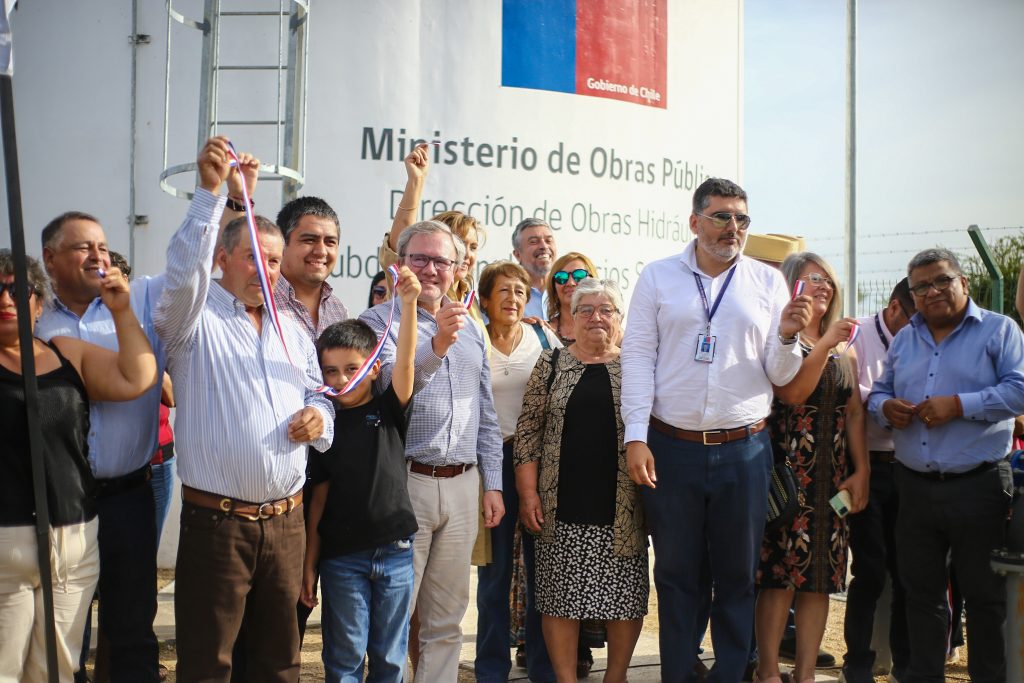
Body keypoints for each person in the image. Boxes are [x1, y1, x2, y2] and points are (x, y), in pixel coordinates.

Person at [154, 137, 334, 682]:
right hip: (218, 524)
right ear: (222, 259)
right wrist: (213, 195)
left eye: (274, 261)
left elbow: (319, 392)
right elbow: (184, 270)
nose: (266, 270)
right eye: (254, 258)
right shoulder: (192, 318)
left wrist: (319, 417)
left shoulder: (290, 327)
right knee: (209, 665)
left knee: (279, 664)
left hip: (286, 524)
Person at [620, 177, 811, 683]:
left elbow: (780, 373)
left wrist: (790, 337)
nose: (733, 228)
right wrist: (635, 436)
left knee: (737, 577)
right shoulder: (659, 278)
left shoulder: (766, 283)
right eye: (722, 216)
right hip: (670, 448)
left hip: (744, 450)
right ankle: (678, 675)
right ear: (695, 221)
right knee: (677, 576)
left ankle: (731, 674)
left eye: (742, 219)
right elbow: (638, 358)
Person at [868, 247, 1024, 683]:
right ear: (912, 296)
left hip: (978, 487)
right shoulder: (905, 340)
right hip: (914, 486)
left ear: (964, 282)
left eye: (942, 281)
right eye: (921, 286)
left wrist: (959, 405)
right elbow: (878, 393)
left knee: (983, 599)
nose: (933, 291)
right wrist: (887, 410)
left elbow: (1019, 392)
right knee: (920, 596)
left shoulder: (1000, 331)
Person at [0, 250, 157, 683]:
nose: (6, 299)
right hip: (5, 544)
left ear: (37, 302)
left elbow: (137, 378)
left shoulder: (63, 353)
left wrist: (123, 311)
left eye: (17, 290)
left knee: (57, 668)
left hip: (72, 536)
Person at [360, 220, 505, 681]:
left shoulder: (472, 328)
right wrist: (437, 346)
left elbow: (485, 413)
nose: (430, 269)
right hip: (406, 482)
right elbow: (390, 395)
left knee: (447, 618)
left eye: (441, 260)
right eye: (419, 258)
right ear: (399, 264)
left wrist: (493, 484)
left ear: (457, 269)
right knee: (393, 614)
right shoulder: (376, 324)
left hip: (463, 485)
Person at [36, 213, 168, 682]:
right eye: (83, 248)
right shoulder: (34, 319)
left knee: (131, 624)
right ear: (50, 260)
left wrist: (227, 200)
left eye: (102, 247)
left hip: (128, 497)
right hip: (58, 502)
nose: (98, 257)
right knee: (65, 628)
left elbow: (190, 269)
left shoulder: (139, 302)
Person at [515, 278, 647, 683]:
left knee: (624, 598)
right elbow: (527, 433)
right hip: (560, 503)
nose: (596, 318)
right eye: (586, 310)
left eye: (606, 310)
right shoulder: (552, 363)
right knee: (559, 601)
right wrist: (527, 493)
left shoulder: (636, 368)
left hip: (623, 505)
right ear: (571, 318)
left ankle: (617, 677)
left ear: (620, 319)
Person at [299, 266, 421, 683]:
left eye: (352, 368)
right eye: (330, 371)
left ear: (373, 368)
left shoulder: (388, 409)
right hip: (341, 560)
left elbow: (406, 363)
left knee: (389, 658)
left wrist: (408, 304)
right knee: (345, 656)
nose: (341, 379)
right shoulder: (324, 423)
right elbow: (317, 503)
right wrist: (309, 567)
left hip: (396, 550)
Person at [754, 253, 870, 683]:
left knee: (819, 579)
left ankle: (803, 675)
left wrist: (862, 472)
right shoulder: (781, 341)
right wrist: (822, 344)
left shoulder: (845, 350)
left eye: (827, 279)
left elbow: (855, 413)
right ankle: (767, 672)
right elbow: (793, 394)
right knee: (779, 577)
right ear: (790, 288)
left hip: (830, 480)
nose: (822, 285)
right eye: (811, 279)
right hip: (786, 478)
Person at [474, 261, 562, 683]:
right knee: (495, 574)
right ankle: (491, 669)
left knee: (541, 572)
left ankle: (544, 668)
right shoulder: (472, 339)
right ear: (485, 299)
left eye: (520, 292)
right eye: (504, 291)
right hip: (490, 465)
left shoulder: (544, 338)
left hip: (539, 467)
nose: (512, 298)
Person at [839, 278, 916, 683]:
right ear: (894, 307)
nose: (918, 329)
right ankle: (858, 665)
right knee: (869, 570)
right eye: (913, 318)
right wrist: (884, 401)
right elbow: (851, 397)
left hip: (910, 466)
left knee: (908, 572)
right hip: (867, 464)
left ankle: (906, 665)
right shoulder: (858, 336)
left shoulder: (923, 336)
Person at [544, 252, 597, 345]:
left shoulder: (607, 329)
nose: (570, 283)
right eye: (561, 277)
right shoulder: (542, 332)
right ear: (554, 287)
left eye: (579, 275)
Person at [511, 217, 558, 320]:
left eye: (548, 240)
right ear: (518, 255)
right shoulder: (510, 295)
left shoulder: (566, 289)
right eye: (533, 242)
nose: (544, 246)